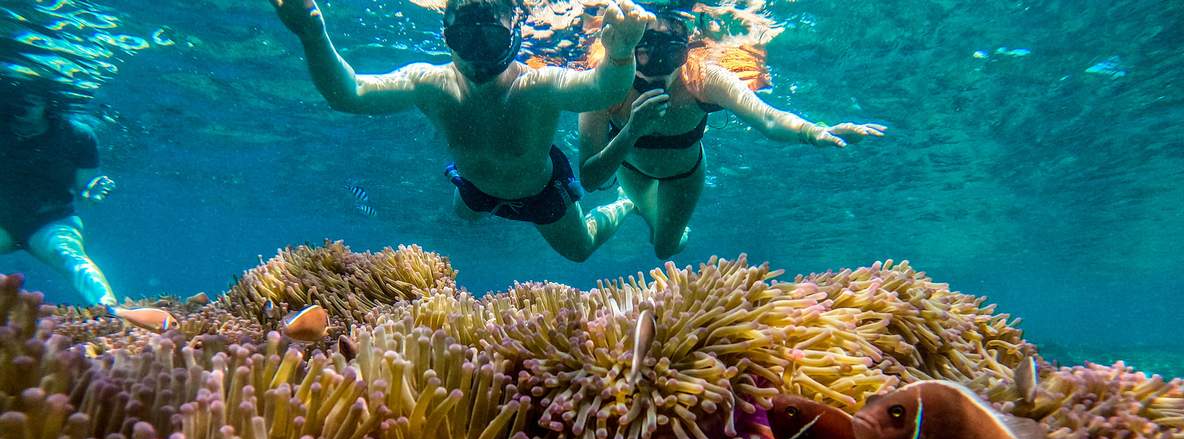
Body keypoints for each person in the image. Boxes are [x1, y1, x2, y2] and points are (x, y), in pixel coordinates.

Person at [268, 0, 655, 262]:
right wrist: (311, 33)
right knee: (465, 217)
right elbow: (349, 94)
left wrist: (620, 53)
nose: (477, 55)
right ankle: (481, 207)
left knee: (581, 249)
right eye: (464, 39)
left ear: (515, 29)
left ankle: (624, 204)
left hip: (539, 193)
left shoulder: (537, 86)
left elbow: (603, 89)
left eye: (489, 37)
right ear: (446, 36)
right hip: (474, 188)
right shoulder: (429, 83)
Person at [578, 11, 887, 259]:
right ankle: (625, 204)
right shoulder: (604, 84)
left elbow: (766, 116)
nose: (656, 74)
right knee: (649, 218)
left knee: (665, 249)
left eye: (671, 58)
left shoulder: (701, 78)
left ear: (685, 54)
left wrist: (815, 132)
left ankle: (637, 206)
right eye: (644, 59)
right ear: (628, 51)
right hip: (631, 170)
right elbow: (591, 178)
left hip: (684, 175)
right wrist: (632, 130)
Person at [0, 80, 117, 306]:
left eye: (30, 103)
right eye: (14, 102)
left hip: (51, 221)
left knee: (69, 258)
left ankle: (112, 312)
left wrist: (93, 191)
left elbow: (85, 186)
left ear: (48, 104)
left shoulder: (77, 135)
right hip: (3, 223)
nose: (20, 111)